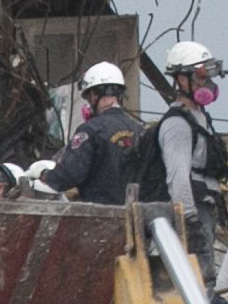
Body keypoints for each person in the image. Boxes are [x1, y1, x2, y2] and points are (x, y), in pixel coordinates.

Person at [137, 39, 228, 258]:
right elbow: (177, 177)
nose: (206, 83)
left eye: (207, 76)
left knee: (206, 279)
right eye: (200, 76)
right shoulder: (177, 124)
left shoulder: (199, 118)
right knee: (200, 278)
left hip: (204, 207)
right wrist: (189, 222)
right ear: (181, 79)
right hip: (193, 212)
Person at [32, 61, 146, 204]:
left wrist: (45, 175)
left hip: (99, 215)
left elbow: (70, 174)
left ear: (94, 94)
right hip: (134, 215)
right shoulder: (139, 130)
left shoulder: (90, 130)